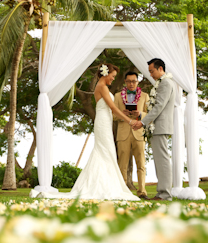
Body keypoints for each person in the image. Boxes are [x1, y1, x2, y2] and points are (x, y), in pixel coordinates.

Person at [46, 63, 139, 201]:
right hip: (102, 122)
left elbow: (110, 108)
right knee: (105, 151)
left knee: (106, 152)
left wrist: (124, 113)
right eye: (112, 76)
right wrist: (129, 121)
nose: (113, 79)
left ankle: (105, 184)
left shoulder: (103, 87)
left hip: (105, 121)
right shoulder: (102, 87)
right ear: (106, 74)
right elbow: (113, 108)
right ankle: (101, 186)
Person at [134, 58, 175, 201]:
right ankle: (162, 193)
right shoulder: (162, 83)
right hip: (158, 126)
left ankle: (164, 194)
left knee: (162, 160)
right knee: (160, 160)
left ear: (160, 69)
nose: (150, 74)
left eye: (152, 71)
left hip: (161, 126)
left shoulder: (166, 83)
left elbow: (159, 106)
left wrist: (143, 122)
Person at [114, 69, 150, 200]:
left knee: (141, 164)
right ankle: (123, 191)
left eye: (133, 81)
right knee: (122, 164)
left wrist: (140, 114)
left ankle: (142, 191)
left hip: (139, 133)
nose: (131, 84)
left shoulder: (145, 96)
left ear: (137, 81)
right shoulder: (117, 97)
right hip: (123, 133)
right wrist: (122, 115)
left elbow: (150, 115)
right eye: (128, 81)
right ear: (125, 82)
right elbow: (112, 115)